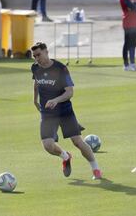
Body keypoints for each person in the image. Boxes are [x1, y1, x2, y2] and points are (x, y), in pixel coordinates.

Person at [31, 42, 102, 180]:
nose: (37, 58)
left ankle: (96, 169)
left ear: (46, 52)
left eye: (39, 55)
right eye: (34, 56)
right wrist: (34, 100)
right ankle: (65, 155)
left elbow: (69, 92)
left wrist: (56, 100)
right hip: (47, 113)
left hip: (64, 110)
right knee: (47, 145)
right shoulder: (35, 68)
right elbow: (36, 83)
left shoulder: (60, 68)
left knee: (77, 141)